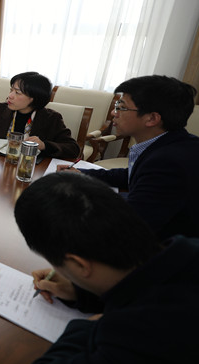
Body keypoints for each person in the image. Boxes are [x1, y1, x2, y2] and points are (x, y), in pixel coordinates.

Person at [14, 172, 199, 364]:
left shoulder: (134, 337)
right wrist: (79, 291)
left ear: (79, 264)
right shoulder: (187, 251)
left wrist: (90, 325)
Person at [57, 75, 199, 240]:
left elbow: (130, 227)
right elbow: (132, 174)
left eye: (122, 107)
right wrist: (83, 175)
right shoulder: (169, 143)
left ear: (152, 118)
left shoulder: (168, 162)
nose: (113, 112)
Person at [0, 71, 79, 159]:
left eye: (17, 93)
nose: (10, 96)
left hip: (30, 167)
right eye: (11, 90)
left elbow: (73, 148)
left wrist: (44, 145)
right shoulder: (1, 109)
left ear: (34, 98)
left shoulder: (51, 118)